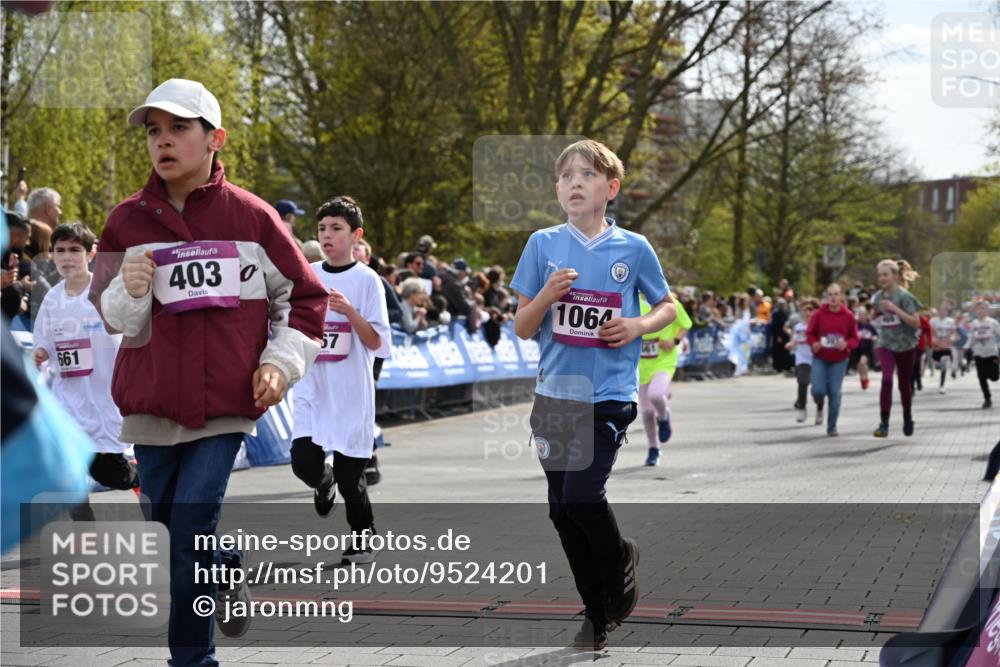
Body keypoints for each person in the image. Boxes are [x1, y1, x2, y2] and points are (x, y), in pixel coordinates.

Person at [89, 79, 327, 664]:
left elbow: (305, 301)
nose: (162, 142)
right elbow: (109, 316)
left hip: (222, 408)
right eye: (153, 131)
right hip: (148, 408)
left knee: (188, 535)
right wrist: (129, 289)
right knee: (176, 540)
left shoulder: (253, 217)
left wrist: (278, 364)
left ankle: (193, 660)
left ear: (214, 138)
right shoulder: (123, 223)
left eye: (178, 128)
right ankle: (224, 565)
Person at [511, 139, 675, 651]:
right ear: (558, 190)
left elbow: (667, 306)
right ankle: (596, 611)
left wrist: (637, 325)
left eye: (587, 174)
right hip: (553, 396)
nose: (575, 182)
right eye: (566, 176)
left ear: (612, 188)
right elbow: (521, 325)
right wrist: (546, 295)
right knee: (562, 511)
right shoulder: (541, 244)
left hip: (607, 394)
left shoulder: (633, 247)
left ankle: (621, 559)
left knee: (583, 495)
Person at [290, 196, 389, 563]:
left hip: (350, 390)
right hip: (313, 386)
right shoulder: (308, 274)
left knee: (352, 477)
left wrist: (349, 312)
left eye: (336, 229)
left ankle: (363, 535)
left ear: (355, 235)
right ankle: (322, 481)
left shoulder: (367, 281)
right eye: (322, 229)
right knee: (304, 463)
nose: (328, 236)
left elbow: (378, 341)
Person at [32, 223, 140, 519]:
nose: (67, 258)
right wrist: (40, 353)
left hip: (105, 395)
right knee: (66, 467)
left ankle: (138, 477)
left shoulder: (105, 292)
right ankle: (84, 531)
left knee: (108, 474)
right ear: (52, 255)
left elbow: (130, 329)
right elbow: (44, 340)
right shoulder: (52, 299)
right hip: (68, 398)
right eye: (60, 251)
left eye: (75, 251)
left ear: (91, 254)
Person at [871, 259, 922, 438]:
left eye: (886, 275)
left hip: (906, 345)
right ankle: (884, 423)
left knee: (904, 385)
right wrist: (873, 316)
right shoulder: (877, 297)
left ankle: (907, 417)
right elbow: (876, 316)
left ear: (895, 275)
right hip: (885, 344)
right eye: (880, 275)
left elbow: (916, 322)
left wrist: (895, 309)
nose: (882, 278)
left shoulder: (905, 297)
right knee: (886, 380)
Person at [638, 294, 690, 466]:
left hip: (664, 361)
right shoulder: (632, 300)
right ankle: (654, 448)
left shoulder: (669, 301)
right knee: (646, 412)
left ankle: (664, 415)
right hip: (640, 363)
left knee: (656, 394)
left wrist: (675, 340)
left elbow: (685, 324)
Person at [806, 284, 858, 437]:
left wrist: (846, 344)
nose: (833, 298)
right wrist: (813, 343)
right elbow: (810, 333)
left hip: (839, 360)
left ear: (841, 296)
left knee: (834, 392)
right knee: (818, 390)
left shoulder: (848, 316)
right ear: (826, 297)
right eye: (830, 295)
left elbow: (855, 338)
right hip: (820, 357)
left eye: (836, 294)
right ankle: (819, 402)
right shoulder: (818, 314)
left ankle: (832, 426)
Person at [787, 298, 819, 423]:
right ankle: (802, 408)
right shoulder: (798, 327)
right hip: (802, 358)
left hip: (816, 359)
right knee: (802, 381)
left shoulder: (818, 326)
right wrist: (791, 344)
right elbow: (795, 339)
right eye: (804, 311)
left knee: (818, 390)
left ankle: (819, 409)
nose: (807, 314)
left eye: (810, 310)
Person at [966, 299, 1000, 409]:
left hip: (991, 352)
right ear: (975, 311)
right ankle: (987, 398)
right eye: (978, 309)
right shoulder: (974, 324)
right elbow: (970, 337)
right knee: (981, 377)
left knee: (994, 377)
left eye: (982, 308)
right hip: (979, 352)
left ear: (987, 310)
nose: (980, 311)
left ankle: (995, 372)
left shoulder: (993, 322)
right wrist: (967, 348)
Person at [930, 303, 957, 394]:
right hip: (936, 347)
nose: (943, 311)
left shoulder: (950, 321)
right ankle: (937, 364)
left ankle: (942, 386)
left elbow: (953, 332)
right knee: (937, 364)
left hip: (946, 346)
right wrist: (935, 341)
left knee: (944, 364)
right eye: (941, 309)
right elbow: (931, 334)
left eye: (945, 310)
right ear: (938, 311)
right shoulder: (933, 321)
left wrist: (952, 338)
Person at [853, 305, 877, 390]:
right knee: (859, 365)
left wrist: (873, 338)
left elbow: (875, 335)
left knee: (863, 362)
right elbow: (851, 335)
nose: (862, 317)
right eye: (860, 315)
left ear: (866, 316)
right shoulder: (855, 326)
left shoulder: (869, 326)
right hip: (857, 348)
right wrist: (857, 336)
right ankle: (862, 378)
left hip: (867, 348)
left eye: (864, 315)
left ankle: (865, 378)